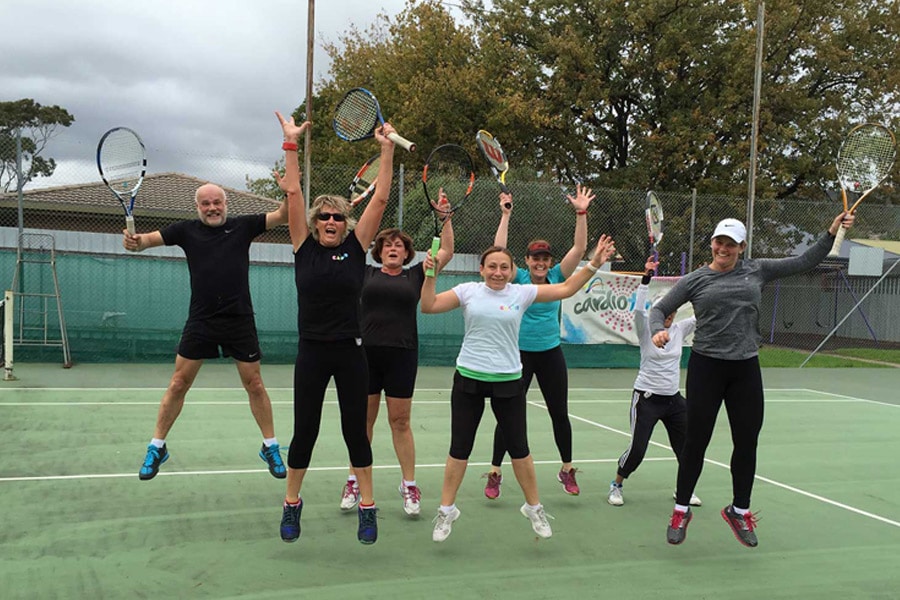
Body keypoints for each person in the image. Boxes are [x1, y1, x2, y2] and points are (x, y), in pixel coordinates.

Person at [653, 213, 854, 548]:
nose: (723, 248)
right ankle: (680, 508)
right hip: (706, 368)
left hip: (745, 369)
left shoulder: (757, 270)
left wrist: (832, 231)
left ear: (741, 247)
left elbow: (806, 260)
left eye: (731, 244)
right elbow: (660, 309)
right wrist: (659, 330)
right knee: (695, 442)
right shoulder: (696, 280)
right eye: (719, 241)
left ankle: (739, 510)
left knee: (746, 442)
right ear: (713, 243)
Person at [421, 235, 617, 543]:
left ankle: (533, 507)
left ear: (512, 270)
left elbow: (566, 288)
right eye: (492, 267)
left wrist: (593, 263)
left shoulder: (521, 293)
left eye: (503, 267)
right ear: (481, 269)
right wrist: (430, 275)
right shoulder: (467, 291)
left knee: (520, 450)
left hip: (508, 381)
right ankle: (447, 510)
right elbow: (429, 305)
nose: (498, 272)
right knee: (459, 449)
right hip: (468, 380)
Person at [123, 150, 289, 483]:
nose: (212, 207)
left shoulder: (244, 226)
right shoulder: (185, 231)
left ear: (226, 204)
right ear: (197, 207)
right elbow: (146, 241)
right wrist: (134, 241)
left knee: (254, 384)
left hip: (239, 319)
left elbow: (284, 216)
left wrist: (287, 190)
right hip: (201, 321)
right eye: (205, 204)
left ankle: (269, 445)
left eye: (217, 202)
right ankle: (157, 446)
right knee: (178, 383)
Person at [274, 111, 396, 546]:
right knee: (304, 431)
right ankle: (292, 504)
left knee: (354, 432)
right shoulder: (302, 245)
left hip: (350, 352)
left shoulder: (357, 247)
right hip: (311, 351)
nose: (330, 222)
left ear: (346, 222)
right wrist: (290, 143)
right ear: (314, 220)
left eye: (337, 217)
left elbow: (379, 200)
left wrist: (386, 149)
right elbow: (292, 191)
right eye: (324, 216)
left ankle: (367, 506)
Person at [338, 202, 455, 517]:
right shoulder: (362, 272)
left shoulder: (418, 274)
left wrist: (445, 219)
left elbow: (447, 251)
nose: (393, 248)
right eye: (387, 244)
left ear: (407, 254)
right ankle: (353, 481)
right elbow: (341, 247)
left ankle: (409, 484)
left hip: (402, 355)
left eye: (399, 245)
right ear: (378, 251)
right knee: (363, 423)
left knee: (400, 422)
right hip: (364, 355)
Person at [483, 186, 593, 500]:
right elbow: (497, 250)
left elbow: (580, 247)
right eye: (535, 258)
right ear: (527, 261)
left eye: (545, 258)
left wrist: (581, 213)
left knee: (559, 412)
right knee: (508, 414)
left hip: (550, 355)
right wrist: (505, 214)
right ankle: (495, 472)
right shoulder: (516, 280)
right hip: (517, 356)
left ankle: (567, 469)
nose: (541, 263)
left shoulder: (559, 275)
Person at [607, 256, 701, 507]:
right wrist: (645, 280)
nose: (669, 316)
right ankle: (616, 484)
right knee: (637, 450)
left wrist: (707, 283)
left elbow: (703, 314)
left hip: (674, 401)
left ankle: (684, 490)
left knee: (686, 449)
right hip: (646, 399)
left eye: (672, 311)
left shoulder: (680, 329)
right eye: (664, 311)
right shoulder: (646, 329)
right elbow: (638, 310)